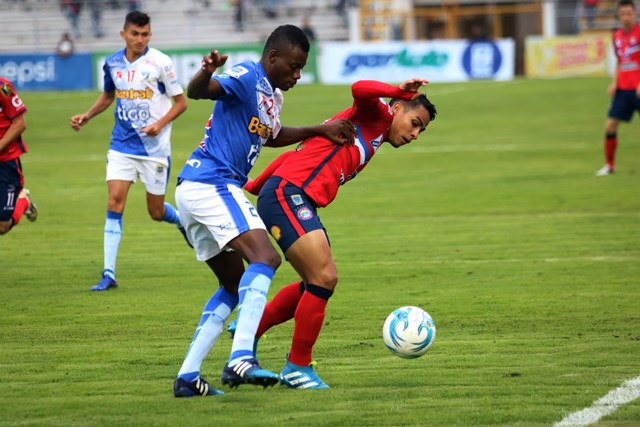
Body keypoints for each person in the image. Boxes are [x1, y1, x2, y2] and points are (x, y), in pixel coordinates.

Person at [172, 24, 356, 398]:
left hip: (195, 189)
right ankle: (241, 355)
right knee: (267, 257)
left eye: (302, 68)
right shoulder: (245, 75)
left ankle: (188, 377)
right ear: (272, 57)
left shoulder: (272, 96)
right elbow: (198, 92)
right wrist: (207, 70)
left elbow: (270, 135)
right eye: (293, 66)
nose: (297, 75)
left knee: (230, 286)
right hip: (213, 182)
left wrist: (318, 131)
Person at [229, 78, 437, 389]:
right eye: (415, 123)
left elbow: (298, 154)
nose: (415, 134)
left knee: (314, 283)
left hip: (290, 195)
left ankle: (250, 329)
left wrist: (255, 185)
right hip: (290, 195)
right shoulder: (375, 114)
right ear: (396, 109)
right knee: (324, 278)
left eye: (421, 130)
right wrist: (398, 91)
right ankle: (297, 367)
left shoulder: (375, 134)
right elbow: (359, 88)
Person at [70, 11, 188, 291]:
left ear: (150, 35)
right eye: (135, 34)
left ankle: (184, 221)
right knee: (114, 202)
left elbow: (181, 103)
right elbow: (109, 96)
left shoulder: (160, 63)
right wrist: (88, 115)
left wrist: (160, 124)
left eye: (145, 34)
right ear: (123, 34)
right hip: (121, 145)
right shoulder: (112, 63)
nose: (140, 39)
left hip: (154, 149)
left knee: (156, 212)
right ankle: (108, 273)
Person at [596, 0, 640, 176]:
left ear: (635, 14)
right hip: (623, 88)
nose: (626, 18)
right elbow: (621, 61)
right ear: (619, 16)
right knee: (610, 125)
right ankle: (609, 166)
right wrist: (615, 82)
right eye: (623, 14)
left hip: (638, 88)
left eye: (629, 14)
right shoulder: (617, 36)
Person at [0, 78, 38, 235]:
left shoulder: (3, 88)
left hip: (6, 162)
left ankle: (23, 201)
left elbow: (20, 124)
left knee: (2, 226)